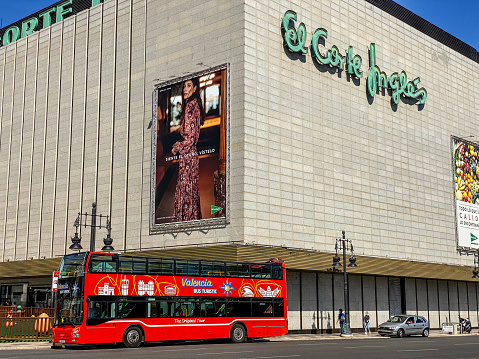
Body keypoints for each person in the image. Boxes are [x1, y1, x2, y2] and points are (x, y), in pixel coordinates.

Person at [171, 78, 205, 222]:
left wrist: (176, 147)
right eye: (184, 86)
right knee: (190, 193)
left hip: (188, 157)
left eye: (189, 86)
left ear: (195, 88)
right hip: (191, 156)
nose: (185, 89)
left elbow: (190, 139)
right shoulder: (195, 105)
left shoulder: (190, 107)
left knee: (186, 194)